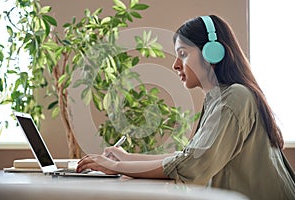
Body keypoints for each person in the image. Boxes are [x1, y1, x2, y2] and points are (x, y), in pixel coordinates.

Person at [76, 15, 295, 200]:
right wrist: (125, 157)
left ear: (212, 53)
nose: (175, 64)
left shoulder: (235, 98)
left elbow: (190, 166)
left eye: (183, 54)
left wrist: (114, 166)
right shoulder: (219, 99)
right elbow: (188, 157)